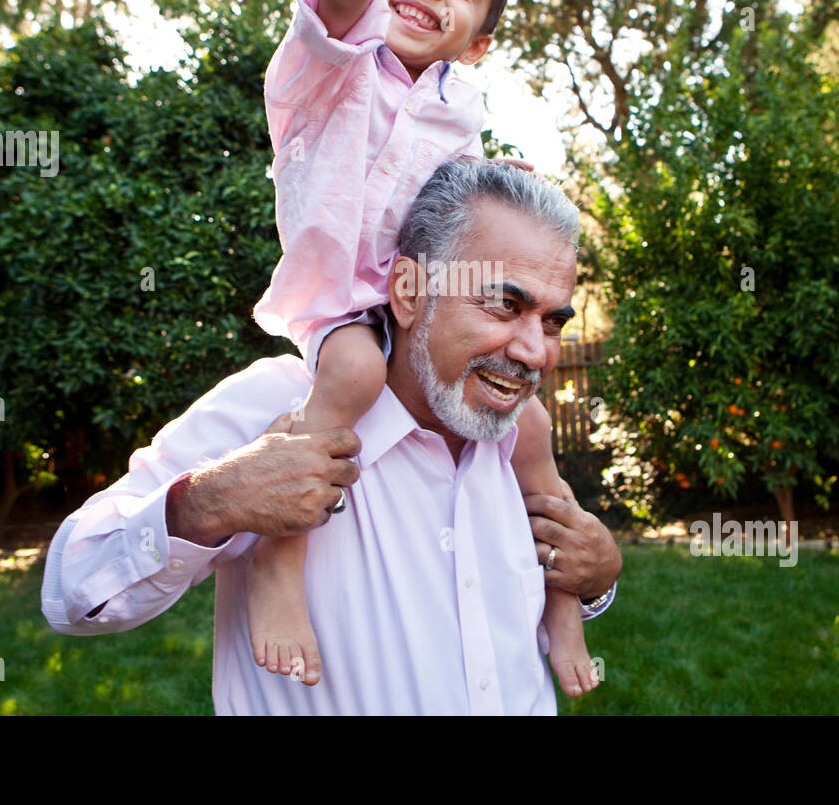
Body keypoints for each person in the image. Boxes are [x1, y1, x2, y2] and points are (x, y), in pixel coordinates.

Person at [39, 158, 622, 714]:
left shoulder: (521, 443)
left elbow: (517, 621)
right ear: (410, 292)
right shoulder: (281, 407)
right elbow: (73, 591)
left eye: (551, 321)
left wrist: (594, 583)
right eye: (503, 303)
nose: (534, 351)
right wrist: (209, 501)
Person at [247, 0, 599, 697]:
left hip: (422, 304)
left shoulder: (459, 114)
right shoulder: (328, 71)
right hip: (344, 306)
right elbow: (335, 3)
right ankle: (277, 567)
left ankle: (565, 602)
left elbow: (475, 214)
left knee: (538, 434)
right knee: (354, 371)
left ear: (478, 42)